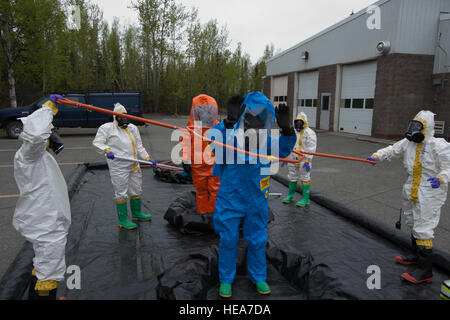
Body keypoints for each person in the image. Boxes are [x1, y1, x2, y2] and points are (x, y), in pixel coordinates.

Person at [207, 92, 296, 298]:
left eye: (259, 119)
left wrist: (287, 130)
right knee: (228, 239)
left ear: (265, 122)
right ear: (242, 117)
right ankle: (226, 279)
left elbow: (283, 150)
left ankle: (258, 276)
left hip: (256, 199)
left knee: (257, 239)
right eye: (249, 117)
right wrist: (227, 123)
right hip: (231, 197)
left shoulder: (267, 143)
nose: (253, 123)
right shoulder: (230, 138)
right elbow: (212, 142)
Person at [367, 110, 450, 284]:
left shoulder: (439, 145)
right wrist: (376, 156)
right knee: (412, 221)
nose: (414, 129)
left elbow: (448, 167)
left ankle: (425, 272)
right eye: (413, 125)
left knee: (423, 227)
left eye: (418, 126)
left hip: (430, 191)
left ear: (427, 128)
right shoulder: (408, 143)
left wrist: (442, 178)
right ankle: (415, 256)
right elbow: (392, 149)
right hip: (411, 187)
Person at [13, 94, 71, 300]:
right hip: (45, 222)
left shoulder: (38, 156)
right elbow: (37, 135)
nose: (52, 137)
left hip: (48, 219)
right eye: (51, 133)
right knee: (49, 270)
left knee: (44, 265)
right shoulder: (29, 154)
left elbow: (38, 136)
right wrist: (48, 109)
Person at [93, 103, 155, 230]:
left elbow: (138, 146)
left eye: (126, 117)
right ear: (116, 117)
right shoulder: (107, 128)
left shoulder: (132, 128)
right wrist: (106, 150)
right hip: (119, 166)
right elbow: (97, 142)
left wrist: (147, 158)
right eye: (121, 117)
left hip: (134, 164)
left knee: (136, 189)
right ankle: (122, 219)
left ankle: (136, 213)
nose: (124, 120)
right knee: (121, 192)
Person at [180, 94, 221, 214]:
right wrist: (185, 160)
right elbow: (185, 144)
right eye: (202, 111)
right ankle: (203, 213)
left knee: (215, 191)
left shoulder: (220, 127)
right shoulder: (191, 128)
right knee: (201, 191)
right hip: (198, 167)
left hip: (214, 166)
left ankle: (214, 215)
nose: (205, 115)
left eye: (208, 111)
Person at [282, 112, 317, 207]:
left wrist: (308, 160)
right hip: (292, 158)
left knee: (305, 177)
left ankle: (306, 199)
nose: (298, 124)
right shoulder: (293, 131)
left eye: (300, 122)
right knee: (292, 176)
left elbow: (311, 148)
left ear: (304, 122)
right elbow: (289, 144)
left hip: (303, 159)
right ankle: (290, 196)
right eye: (297, 122)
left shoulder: (310, 133)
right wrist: (286, 157)